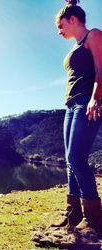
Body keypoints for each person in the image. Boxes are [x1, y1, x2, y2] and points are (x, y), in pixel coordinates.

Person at [55, 0, 102, 234]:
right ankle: (73, 216)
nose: (58, 30)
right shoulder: (74, 47)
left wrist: (96, 97)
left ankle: (93, 222)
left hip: (87, 102)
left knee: (76, 158)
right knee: (69, 161)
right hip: (71, 105)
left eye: (60, 24)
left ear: (73, 20)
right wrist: (70, 4)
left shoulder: (93, 35)